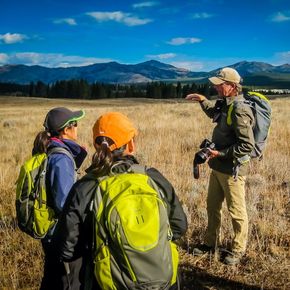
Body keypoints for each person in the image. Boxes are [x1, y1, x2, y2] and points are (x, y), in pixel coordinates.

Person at [56, 112, 188, 289]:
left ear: (96, 145)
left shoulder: (85, 187)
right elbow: (179, 226)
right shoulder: (153, 178)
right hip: (164, 281)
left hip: (109, 283)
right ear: (131, 144)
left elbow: (68, 248)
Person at [186, 67, 255, 265]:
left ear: (232, 86)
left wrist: (222, 153)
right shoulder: (225, 104)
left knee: (237, 211)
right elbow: (214, 114)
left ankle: (238, 249)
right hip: (217, 167)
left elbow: (247, 145)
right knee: (212, 206)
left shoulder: (240, 109)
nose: (215, 86)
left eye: (220, 84)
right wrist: (202, 100)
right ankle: (210, 243)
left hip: (232, 170)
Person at [33, 107, 87, 289]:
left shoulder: (52, 150)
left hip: (50, 233)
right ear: (66, 130)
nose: (78, 128)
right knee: (67, 282)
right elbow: (64, 204)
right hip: (60, 234)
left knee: (52, 279)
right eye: (76, 124)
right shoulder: (61, 159)